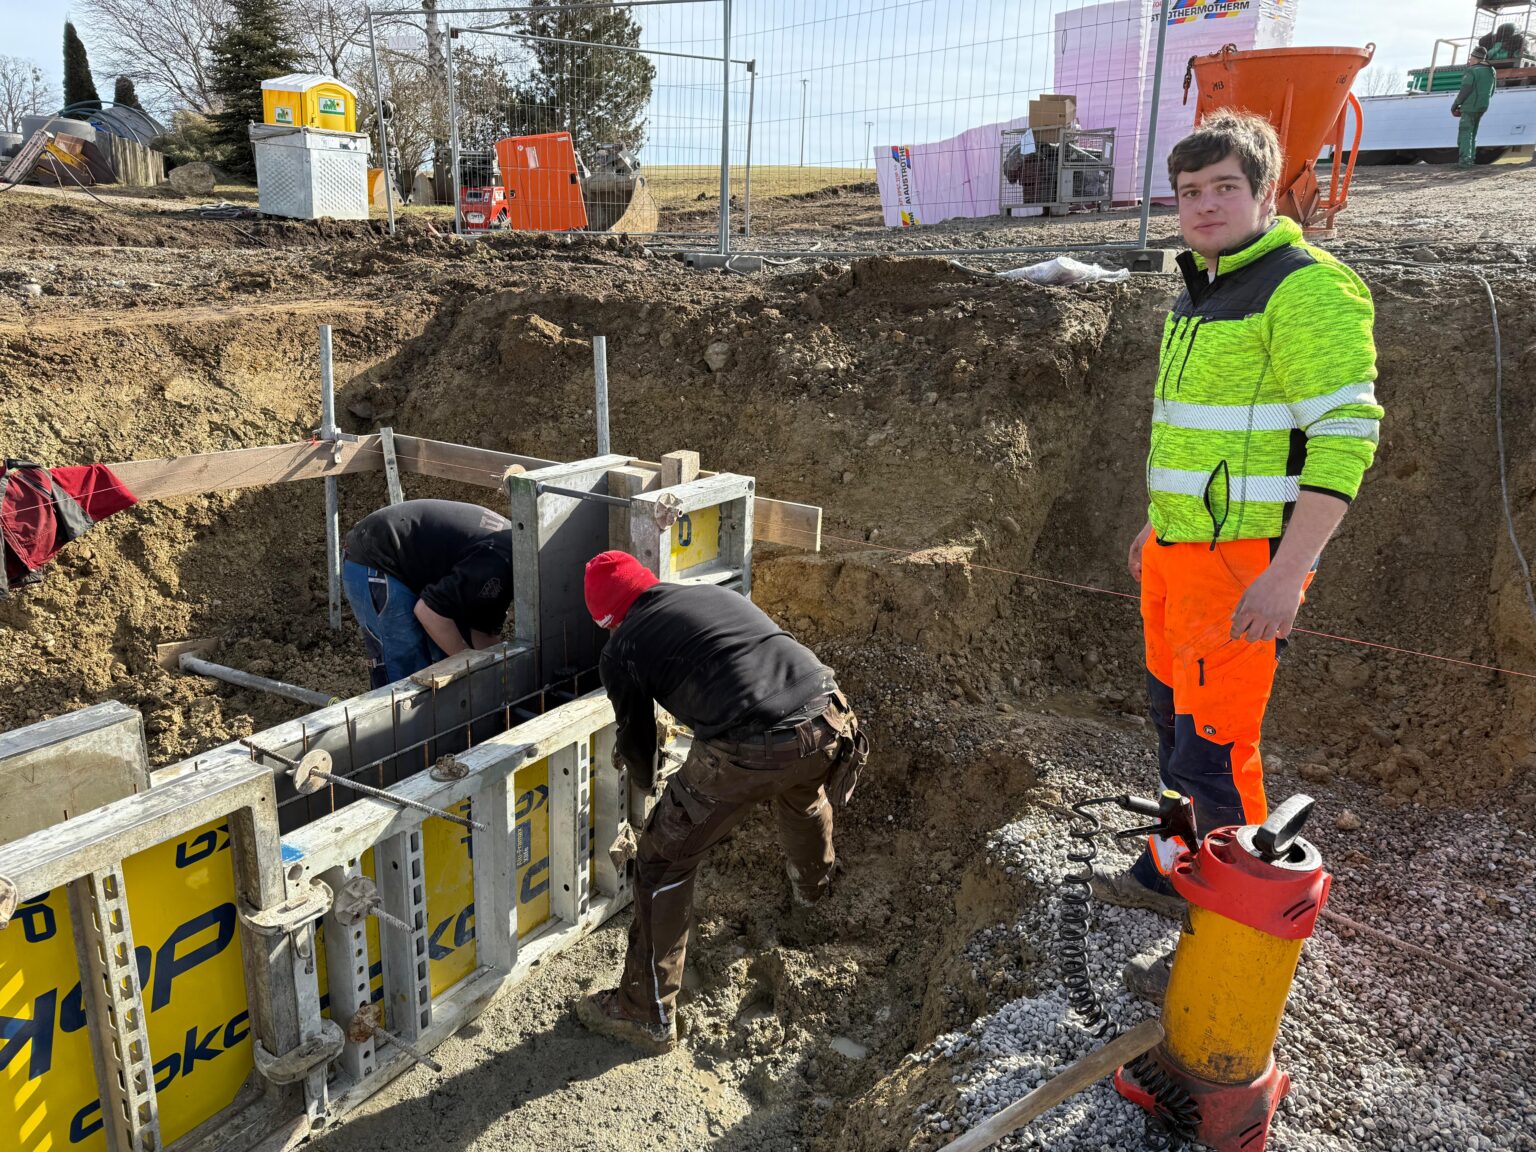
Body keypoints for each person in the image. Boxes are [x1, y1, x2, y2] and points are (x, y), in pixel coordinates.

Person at [1093, 111, 1382, 995]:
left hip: (1242, 565)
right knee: (1173, 726)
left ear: (1265, 195)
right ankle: (1176, 865)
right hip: (1181, 554)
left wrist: (1287, 572)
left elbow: (1345, 435)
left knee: (1217, 751)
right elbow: (1206, 435)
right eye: (1190, 191)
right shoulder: (1202, 287)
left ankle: (1227, 939)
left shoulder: (1304, 289)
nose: (1205, 205)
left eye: (1225, 187)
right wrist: (1161, 523)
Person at [574, 550, 868, 1053]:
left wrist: (644, 787)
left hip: (756, 743)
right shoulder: (707, 596)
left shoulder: (622, 646)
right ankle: (814, 897)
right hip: (830, 717)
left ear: (608, 620)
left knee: (661, 863)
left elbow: (638, 741)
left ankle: (644, 1012)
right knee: (803, 797)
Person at [341, 499, 513, 687]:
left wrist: (500, 678)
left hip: (412, 560)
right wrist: (470, 663)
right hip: (377, 556)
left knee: (445, 653)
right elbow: (428, 612)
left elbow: (482, 633)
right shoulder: (497, 563)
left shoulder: (509, 559)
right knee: (405, 668)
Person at [1452, 46, 1496, 171]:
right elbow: (1493, 90)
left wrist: (1455, 104)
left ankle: (1465, 162)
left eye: (1471, 58)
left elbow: (1465, 90)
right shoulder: (1491, 70)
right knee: (1473, 132)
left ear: (1476, 59)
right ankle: (1470, 159)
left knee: (1465, 133)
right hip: (1483, 106)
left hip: (1470, 106)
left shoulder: (1472, 70)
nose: (1469, 60)